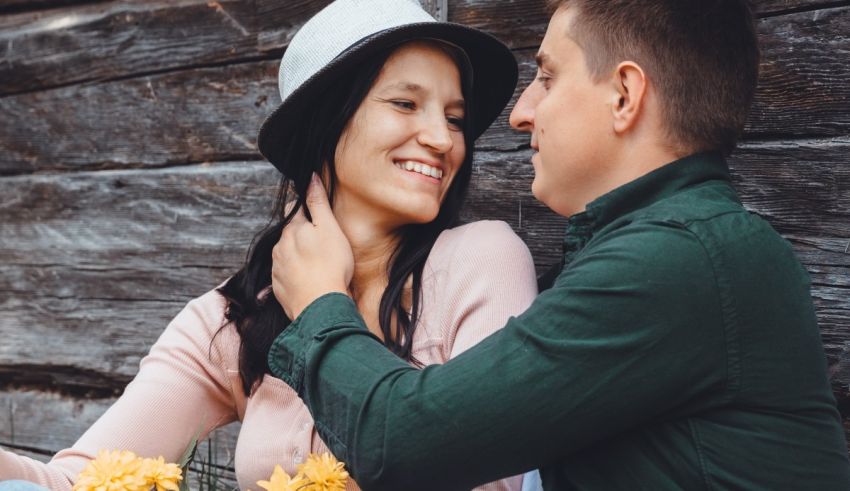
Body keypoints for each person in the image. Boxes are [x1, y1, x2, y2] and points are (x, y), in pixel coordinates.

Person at [267, 0, 850, 490]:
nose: (521, 114)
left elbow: (400, 441)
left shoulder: (678, 259)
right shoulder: (664, 254)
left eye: (546, 77)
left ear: (624, 94)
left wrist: (320, 303)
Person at [0, 1, 537, 489]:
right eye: (404, 103)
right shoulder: (238, 315)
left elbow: (489, 480)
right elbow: (75, 482)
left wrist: (323, 303)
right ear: (324, 123)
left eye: (454, 118)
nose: (442, 140)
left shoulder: (479, 261)